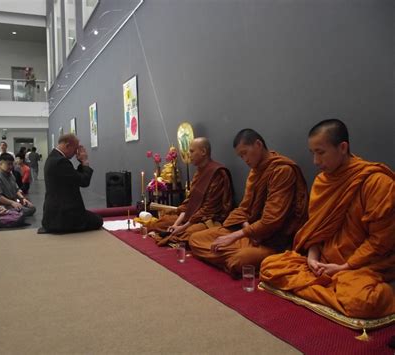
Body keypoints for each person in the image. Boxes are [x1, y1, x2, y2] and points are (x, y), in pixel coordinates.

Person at [260, 119, 395, 318]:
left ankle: (334, 286)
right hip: (323, 263)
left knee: (363, 302)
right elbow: (316, 230)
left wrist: (344, 267)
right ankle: (333, 288)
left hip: (360, 266)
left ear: (342, 147)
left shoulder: (377, 182)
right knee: (269, 266)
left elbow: (380, 241)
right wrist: (313, 258)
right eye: (312, 153)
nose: (315, 161)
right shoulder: (322, 181)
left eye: (320, 152)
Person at [189, 129, 309, 278]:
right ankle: (238, 260)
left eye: (245, 153)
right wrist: (245, 229)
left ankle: (241, 260)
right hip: (250, 233)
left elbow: (272, 220)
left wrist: (237, 236)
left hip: (272, 241)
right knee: (195, 239)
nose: (245, 159)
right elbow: (244, 208)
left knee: (238, 261)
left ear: (258, 144)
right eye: (241, 156)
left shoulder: (282, 170)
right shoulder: (255, 170)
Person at [147, 137, 234, 246]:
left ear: (203, 152)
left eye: (192, 151)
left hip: (206, 220)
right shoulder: (199, 172)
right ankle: (172, 233)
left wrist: (182, 227)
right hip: (190, 218)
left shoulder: (217, 173)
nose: (189, 154)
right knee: (160, 223)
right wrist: (176, 224)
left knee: (188, 234)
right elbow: (189, 203)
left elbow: (208, 210)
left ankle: (174, 236)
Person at [40, 134, 103, 233]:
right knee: (98, 220)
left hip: (53, 214)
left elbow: (74, 177)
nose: (75, 153)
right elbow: (83, 181)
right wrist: (85, 162)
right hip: (64, 217)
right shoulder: (60, 162)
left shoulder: (53, 158)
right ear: (67, 145)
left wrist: (81, 164)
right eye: (75, 149)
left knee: (93, 217)